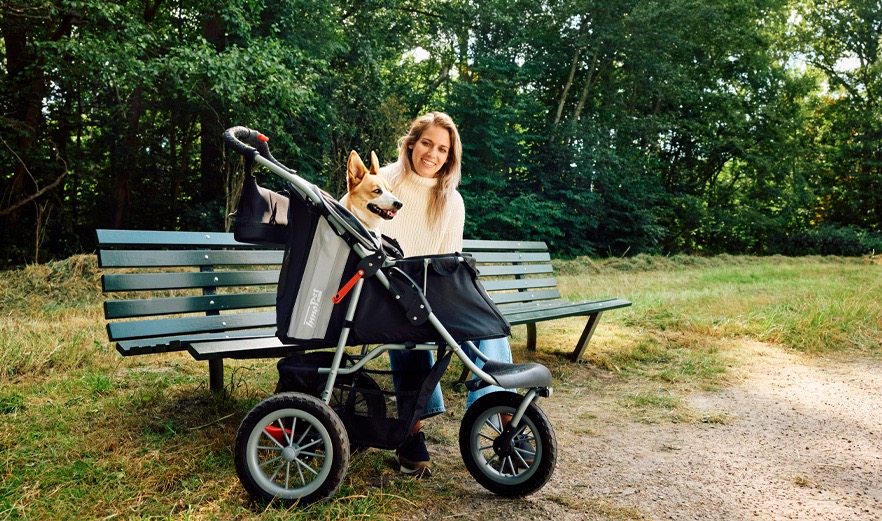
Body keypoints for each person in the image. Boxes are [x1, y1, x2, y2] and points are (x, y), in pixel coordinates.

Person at [379, 111, 513, 477]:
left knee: (484, 322)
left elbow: (449, 262)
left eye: (442, 149)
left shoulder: (451, 201)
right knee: (407, 324)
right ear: (411, 143)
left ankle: (505, 416)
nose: (432, 154)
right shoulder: (383, 182)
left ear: (449, 157)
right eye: (426, 143)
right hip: (385, 289)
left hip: (431, 286)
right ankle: (411, 432)